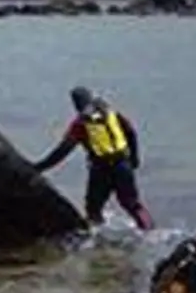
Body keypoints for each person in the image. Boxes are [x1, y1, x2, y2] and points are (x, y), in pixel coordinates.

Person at [34, 86, 155, 230]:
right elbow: (131, 133)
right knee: (132, 204)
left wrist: (40, 167)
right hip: (123, 164)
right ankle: (150, 232)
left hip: (101, 169)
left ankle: (97, 239)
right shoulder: (111, 113)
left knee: (93, 208)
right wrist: (134, 158)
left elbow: (64, 149)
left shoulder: (81, 124)